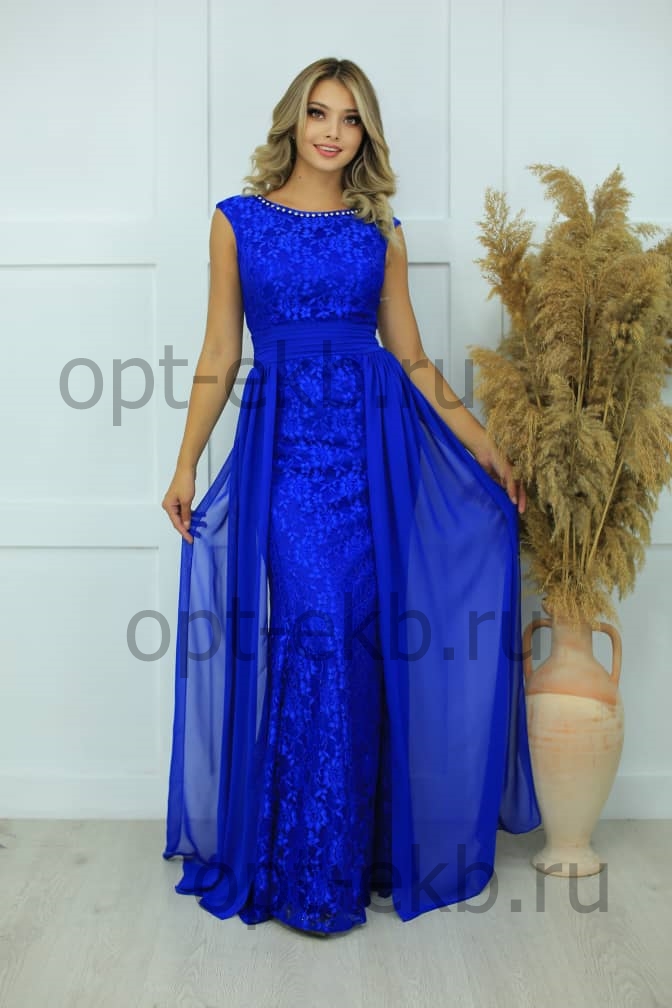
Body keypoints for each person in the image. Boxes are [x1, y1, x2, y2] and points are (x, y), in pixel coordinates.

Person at [161, 56, 541, 938]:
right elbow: (219, 352)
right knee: (317, 629)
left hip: (374, 457)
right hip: (286, 458)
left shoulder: (381, 230)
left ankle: (354, 854)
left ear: (366, 134)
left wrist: (483, 443)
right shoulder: (237, 221)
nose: (332, 131)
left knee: (360, 648)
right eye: (318, 113)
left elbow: (412, 357)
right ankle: (302, 868)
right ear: (292, 122)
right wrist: (185, 465)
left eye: (350, 118)